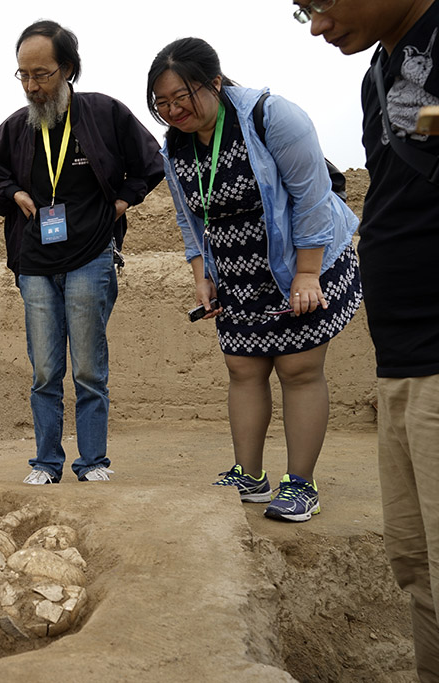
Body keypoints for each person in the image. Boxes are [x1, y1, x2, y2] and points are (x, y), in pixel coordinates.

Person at [148, 37, 362, 522]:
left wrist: (307, 274)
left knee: (298, 371)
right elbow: (189, 217)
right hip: (238, 274)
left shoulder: (273, 116)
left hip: (300, 264)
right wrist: (202, 275)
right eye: (162, 103)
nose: (173, 110)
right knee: (243, 369)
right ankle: (250, 475)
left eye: (182, 97)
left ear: (215, 83)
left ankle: (301, 485)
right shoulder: (175, 145)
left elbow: (311, 197)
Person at [298, 0, 439, 675]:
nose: (320, 26)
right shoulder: (378, 72)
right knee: (417, 564)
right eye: (304, 14)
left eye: (321, 3)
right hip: (402, 360)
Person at [0, 20, 163, 486]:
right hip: (35, 263)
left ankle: (93, 460)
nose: (33, 86)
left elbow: (151, 162)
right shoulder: (18, 126)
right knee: (44, 370)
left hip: (91, 255)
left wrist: (124, 200)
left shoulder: (103, 114)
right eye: (24, 75)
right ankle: (45, 462)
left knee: (87, 366)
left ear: (69, 70)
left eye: (43, 74)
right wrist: (14, 192)